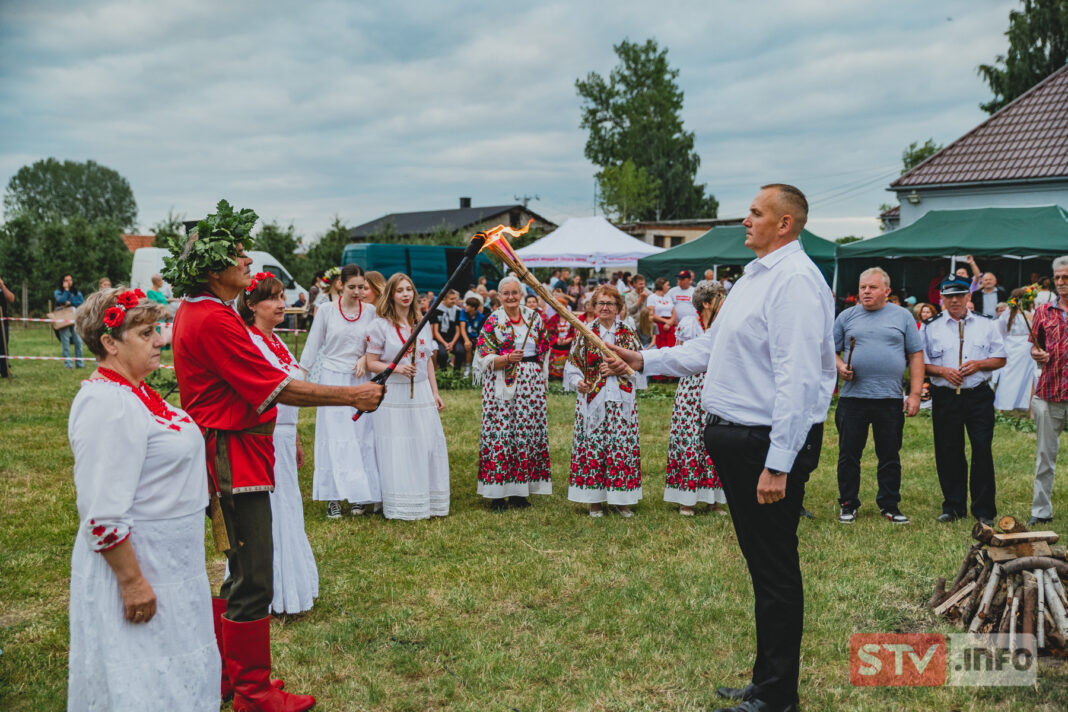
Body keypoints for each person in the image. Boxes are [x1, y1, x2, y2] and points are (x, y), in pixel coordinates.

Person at [603, 184, 835, 712]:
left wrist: (778, 463)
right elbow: (713, 346)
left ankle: (778, 696)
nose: (745, 220)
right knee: (761, 564)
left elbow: (799, 379)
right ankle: (766, 679)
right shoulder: (754, 278)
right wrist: (644, 362)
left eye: (756, 213)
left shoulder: (795, 281)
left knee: (775, 568)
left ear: (785, 224)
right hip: (736, 436)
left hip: (763, 444)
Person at [166, 201, 383, 711]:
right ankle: (251, 692)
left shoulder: (211, 312)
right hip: (231, 456)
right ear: (211, 268)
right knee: (253, 573)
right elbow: (278, 387)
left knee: (244, 570)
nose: (248, 262)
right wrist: (352, 395)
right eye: (237, 255)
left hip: (240, 449)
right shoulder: (212, 319)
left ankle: (232, 679)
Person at [68, 287, 220, 710]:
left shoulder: (137, 392)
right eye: (147, 333)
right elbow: (101, 510)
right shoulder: (109, 405)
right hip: (141, 562)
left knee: (172, 664)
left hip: (170, 559)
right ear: (109, 343)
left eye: (158, 330)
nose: (160, 340)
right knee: (141, 672)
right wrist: (132, 581)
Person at [237, 275, 318, 615]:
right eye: (272, 299)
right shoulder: (250, 342)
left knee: (288, 506)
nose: (282, 303)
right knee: (271, 510)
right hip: (263, 437)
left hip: (285, 436)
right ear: (252, 305)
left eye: (283, 297)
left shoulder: (278, 342)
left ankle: (293, 587)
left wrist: (295, 436)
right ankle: (268, 591)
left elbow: (289, 394)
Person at [833, 268, 924, 525]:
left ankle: (889, 504)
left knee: (889, 453)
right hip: (853, 398)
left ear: (887, 291)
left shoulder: (902, 316)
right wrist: (840, 366)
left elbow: (916, 355)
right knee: (849, 453)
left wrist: (915, 394)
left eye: (872, 287)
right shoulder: (846, 316)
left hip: (889, 398)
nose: (866, 292)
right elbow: (830, 350)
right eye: (863, 287)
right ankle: (848, 503)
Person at [299, 264, 381, 519]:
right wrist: (300, 375)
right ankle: (333, 496)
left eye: (361, 287)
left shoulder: (370, 312)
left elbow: (377, 343)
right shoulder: (326, 310)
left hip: (359, 378)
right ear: (340, 286)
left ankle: (359, 495)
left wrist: (365, 359)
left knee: (360, 436)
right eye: (352, 287)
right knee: (334, 437)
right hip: (332, 377)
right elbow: (313, 345)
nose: (358, 292)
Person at [922, 276, 1006, 525]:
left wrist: (979, 364)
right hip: (946, 396)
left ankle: (983, 510)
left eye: (960, 295)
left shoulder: (986, 324)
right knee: (948, 450)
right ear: (942, 299)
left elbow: (1000, 357)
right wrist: (942, 371)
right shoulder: (931, 326)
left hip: (977, 395)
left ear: (969, 296)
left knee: (981, 449)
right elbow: (921, 362)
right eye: (949, 296)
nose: (955, 300)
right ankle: (953, 505)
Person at [365, 273, 450, 520]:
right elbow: (371, 363)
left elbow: (428, 363)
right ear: (391, 294)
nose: (405, 294)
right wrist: (396, 368)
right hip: (394, 393)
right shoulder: (379, 326)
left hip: (421, 390)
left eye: (409, 289)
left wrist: (435, 392)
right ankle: (401, 503)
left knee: (425, 443)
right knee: (399, 444)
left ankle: (427, 499)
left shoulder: (421, 323)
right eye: (400, 290)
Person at [565, 285, 646, 517]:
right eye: (601, 303)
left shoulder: (628, 333)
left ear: (619, 308)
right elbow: (572, 367)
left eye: (610, 303)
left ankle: (622, 500)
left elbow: (640, 368)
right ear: (593, 306)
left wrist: (619, 370)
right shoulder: (585, 332)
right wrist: (578, 382)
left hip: (621, 401)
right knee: (594, 448)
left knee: (620, 448)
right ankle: (595, 501)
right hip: (593, 401)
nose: (605, 308)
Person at [473, 275, 553, 511]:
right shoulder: (493, 321)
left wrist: (539, 372)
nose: (511, 297)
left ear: (521, 294)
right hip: (501, 384)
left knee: (525, 434)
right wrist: (505, 359)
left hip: (530, 385)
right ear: (498, 297)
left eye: (514, 293)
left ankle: (520, 492)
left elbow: (545, 347)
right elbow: (482, 354)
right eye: (505, 293)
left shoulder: (534, 318)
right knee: (502, 434)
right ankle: (497, 494)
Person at [664, 280, 727, 516]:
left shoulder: (724, 325)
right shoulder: (690, 323)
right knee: (690, 439)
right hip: (692, 387)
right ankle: (686, 499)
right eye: (721, 298)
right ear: (708, 303)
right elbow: (681, 354)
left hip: (717, 383)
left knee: (715, 440)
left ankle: (714, 500)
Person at [1028, 257, 1068, 526]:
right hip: (1050, 391)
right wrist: (1037, 354)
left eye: (1066, 278)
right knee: (1045, 457)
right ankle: (1041, 512)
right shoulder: (1043, 311)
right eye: (1057, 279)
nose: (1061, 283)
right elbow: (1033, 346)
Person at [994, 287, 1037, 412]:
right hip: (1013, 346)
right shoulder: (1008, 315)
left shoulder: (1030, 314)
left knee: (1025, 376)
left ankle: (1024, 407)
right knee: (1009, 375)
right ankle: (1004, 406)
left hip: (1024, 346)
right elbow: (1001, 330)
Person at [55, 273, 85, 368]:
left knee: (78, 341)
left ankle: (79, 364)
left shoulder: (77, 292)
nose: (69, 282)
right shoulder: (58, 292)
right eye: (66, 280)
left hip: (75, 318)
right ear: (62, 282)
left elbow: (81, 303)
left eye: (70, 280)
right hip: (63, 318)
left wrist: (70, 302)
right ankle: (68, 364)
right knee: (65, 341)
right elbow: (61, 300)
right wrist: (66, 291)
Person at [430, 289, 464, 372]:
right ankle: (443, 371)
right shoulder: (437, 310)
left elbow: (457, 330)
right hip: (441, 338)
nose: (454, 301)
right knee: (442, 353)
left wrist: (452, 343)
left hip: (453, 338)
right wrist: (445, 344)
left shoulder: (457, 311)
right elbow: (436, 331)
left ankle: (457, 371)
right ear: (444, 299)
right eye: (451, 299)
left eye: (455, 299)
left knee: (460, 351)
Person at [545, 294, 577, 378]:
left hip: (568, 344)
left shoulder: (572, 319)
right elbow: (548, 333)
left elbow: (576, 332)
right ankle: (554, 374)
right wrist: (556, 340)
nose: (561, 307)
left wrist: (569, 339)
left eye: (563, 305)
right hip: (556, 345)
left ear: (566, 306)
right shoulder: (553, 318)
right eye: (558, 306)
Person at [459, 296, 487, 377]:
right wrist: (466, 340)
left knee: (480, 348)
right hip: (466, 337)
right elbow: (462, 328)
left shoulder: (481, 316)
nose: (465, 307)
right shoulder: (463, 312)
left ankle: (477, 369)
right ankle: (467, 369)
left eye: (468, 305)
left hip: (476, 338)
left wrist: (478, 339)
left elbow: (482, 332)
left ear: (473, 308)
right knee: (468, 346)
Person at [648, 277, 677, 348]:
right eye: (667, 285)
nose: (669, 287)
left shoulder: (668, 297)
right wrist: (666, 321)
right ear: (662, 285)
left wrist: (670, 322)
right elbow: (651, 314)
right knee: (659, 346)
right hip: (658, 326)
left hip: (670, 325)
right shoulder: (652, 297)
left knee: (671, 346)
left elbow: (674, 312)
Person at [0, 275, 13, 378]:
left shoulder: (3, 286)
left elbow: (11, 298)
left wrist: (2, 286)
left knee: (3, 348)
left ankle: (5, 371)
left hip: (3, 322)